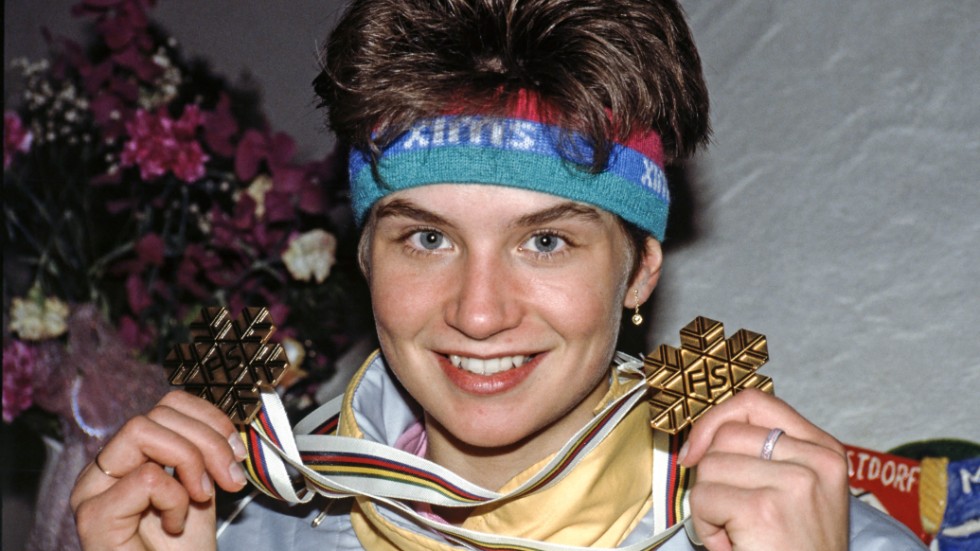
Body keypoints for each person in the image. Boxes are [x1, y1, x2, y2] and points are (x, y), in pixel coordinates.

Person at [69, 0, 926, 549]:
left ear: (640, 271)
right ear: (365, 255)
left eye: (546, 242)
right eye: (427, 241)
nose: (479, 314)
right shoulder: (231, 529)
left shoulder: (809, 533)